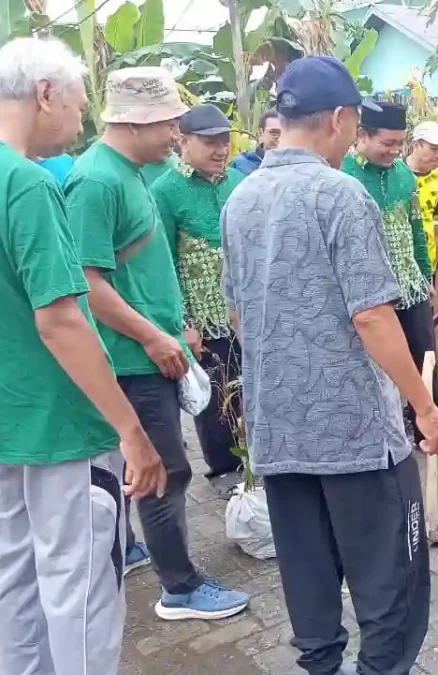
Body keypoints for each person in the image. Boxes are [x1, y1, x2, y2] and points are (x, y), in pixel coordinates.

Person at [220, 55, 438, 675]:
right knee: (392, 581)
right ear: (342, 118)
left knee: (308, 573)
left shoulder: (240, 200)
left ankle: (321, 666)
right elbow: (372, 316)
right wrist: (426, 410)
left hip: (277, 427)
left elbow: (239, 312)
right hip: (352, 435)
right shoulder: (339, 193)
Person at [0, 36, 166, 675]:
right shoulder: (27, 186)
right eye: (76, 103)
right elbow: (62, 321)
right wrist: (132, 432)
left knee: (15, 580)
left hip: (10, 424)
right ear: (45, 94)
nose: (81, 121)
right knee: (84, 587)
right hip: (63, 427)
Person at [65, 66, 250, 621]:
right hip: (133, 357)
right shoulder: (96, 181)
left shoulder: (134, 173)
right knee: (164, 471)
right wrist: (153, 336)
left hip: (151, 348)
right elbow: (86, 282)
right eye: (170, 124)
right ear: (136, 121)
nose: (176, 135)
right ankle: (181, 587)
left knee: (141, 469)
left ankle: (133, 548)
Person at [343, 101, 438, 455]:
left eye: (400, 144)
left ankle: (432, 432)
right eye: (387, 143)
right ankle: (379, 439)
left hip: (409, 285)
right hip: (368, 291)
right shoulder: (344, 175)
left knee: (424, 357)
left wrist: (425, 275)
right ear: (362, 136)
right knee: (371, 365)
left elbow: (416, 231)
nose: (395, 151)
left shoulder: (402, 176)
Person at [151, 103, 245, 494]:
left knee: (249, 387)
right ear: (183, 142)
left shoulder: (239, 182)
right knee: (216, 396)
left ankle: (255, 460)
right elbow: (164, 263)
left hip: (245, 310)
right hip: (203, 317)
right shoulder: (165, 191)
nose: (220, 149)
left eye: (224, 141)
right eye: (209, 142)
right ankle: (223, 469)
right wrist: (184, 323)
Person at [405, 120, 438, 281]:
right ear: (416, 145)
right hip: (399, 263)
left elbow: (436, 213)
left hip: (427, 261)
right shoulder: (396, 173)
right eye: (433, 149)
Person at [231, 107, 281, 175]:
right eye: (274, 133)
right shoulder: (242, 164)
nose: (280, 138)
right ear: (260, 133)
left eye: (286, 133)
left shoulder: (295, 166)